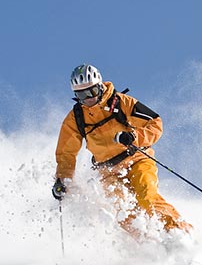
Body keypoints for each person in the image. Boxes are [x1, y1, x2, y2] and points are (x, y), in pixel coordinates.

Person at [52, 64, 191, 239]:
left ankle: (179, 233)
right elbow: (66, 153)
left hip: (136, 160)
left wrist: (134, 137)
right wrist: (62, 180)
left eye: (92, 91)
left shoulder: (121, 102)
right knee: (122, 211)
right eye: (82, 95)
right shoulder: (76, 118)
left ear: (100, 86)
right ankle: (149, 244)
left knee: (146, 197)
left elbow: (155, 122)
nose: (88, 98)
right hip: (108, 171)